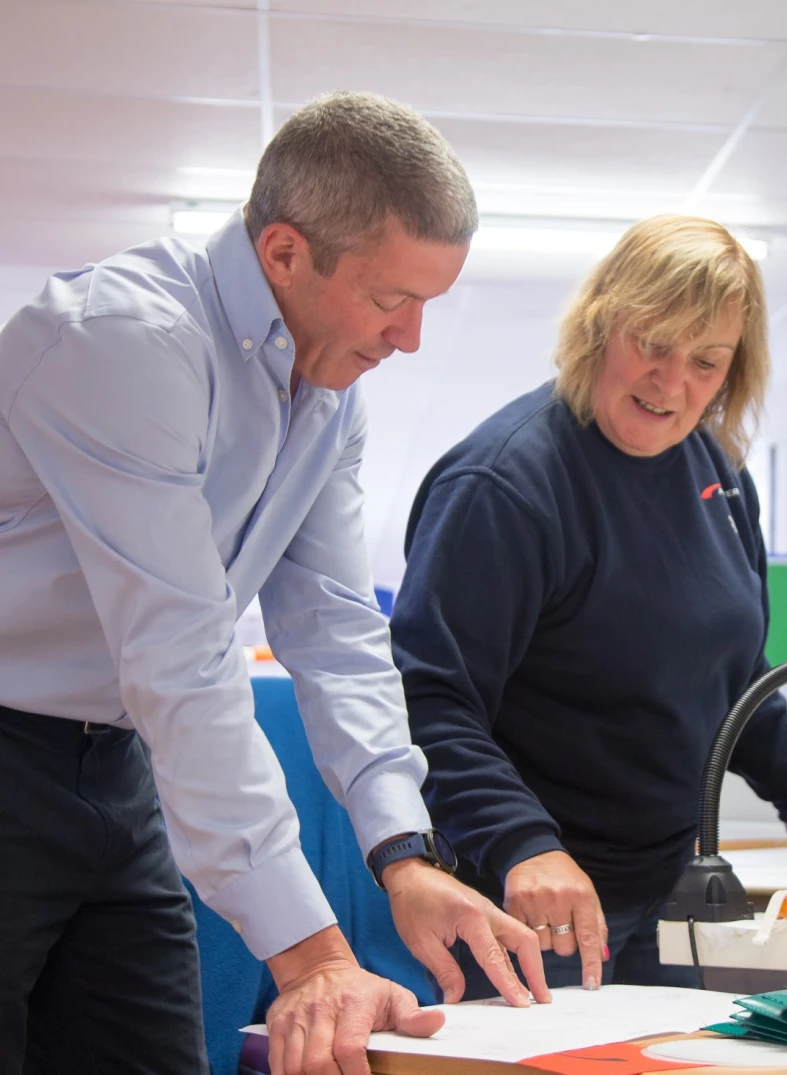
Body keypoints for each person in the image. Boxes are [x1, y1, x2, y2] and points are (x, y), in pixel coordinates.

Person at [0, 91, 549, 1075]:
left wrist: (402, 856)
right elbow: (181, 656)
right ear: (285, 252)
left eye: (429, 303)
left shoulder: (326, 398)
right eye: (391, 300)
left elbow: (337, 635)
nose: (411, 339)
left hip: (112, 770)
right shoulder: (127, 341)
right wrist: (312, 956)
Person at [390, 214, 787, 1000]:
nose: (670, 382)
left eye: (705, 361)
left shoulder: (716, 474)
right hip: (526, 895)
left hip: (670, 884)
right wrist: (523, 846)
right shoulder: (505, 485)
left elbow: (730, 674)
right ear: (599, 324)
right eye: (651, 343)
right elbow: (428, 698)